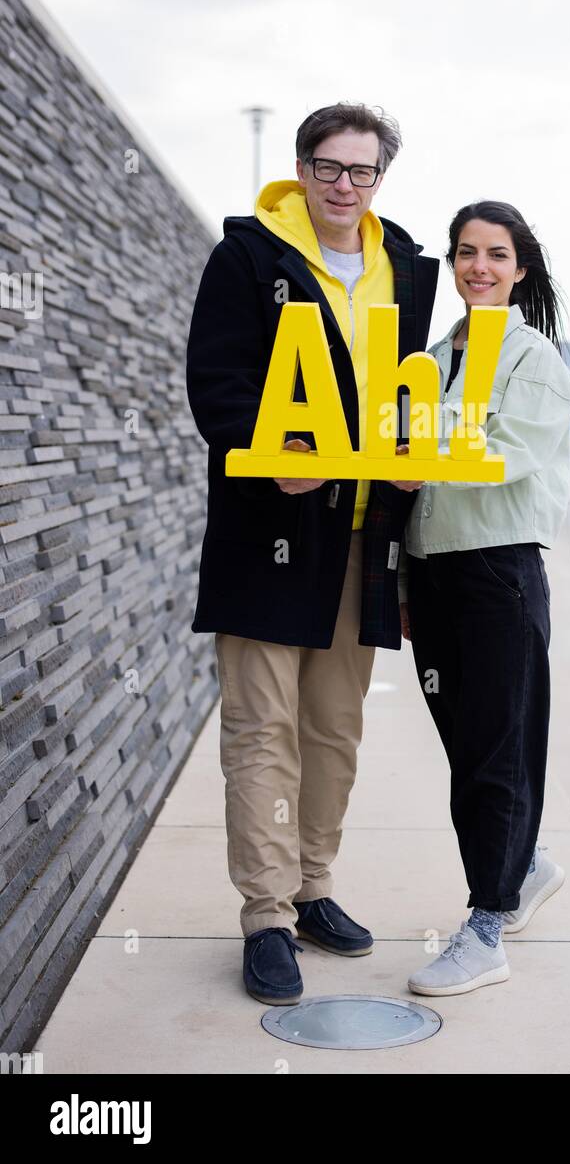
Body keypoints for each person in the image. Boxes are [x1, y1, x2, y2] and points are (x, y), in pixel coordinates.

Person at [185, 102, 438, 1005]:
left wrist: (412, 457)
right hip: (269, 530)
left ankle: (312, 887)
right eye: (328, 168)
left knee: (333, 729)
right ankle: (264, 917)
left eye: (361, 171)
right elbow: (215, 382)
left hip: (363, 531)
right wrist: (274, 457)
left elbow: (407, 390)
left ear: (380, 179)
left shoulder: (405, 267)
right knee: (262, 732)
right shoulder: (248, 257)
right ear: (301, 169)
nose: (343, 186)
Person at [390, 199, 570, 996]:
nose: (478, 268)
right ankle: (524, 863)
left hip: (498, 573)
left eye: (495, 255)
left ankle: (486, 926)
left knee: (498, 747)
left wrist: (421, 459)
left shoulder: (535, 361)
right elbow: (399, 474)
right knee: (467, 746)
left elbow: (508, 456)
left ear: (519, 268)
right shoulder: (430, 357)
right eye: (466, 252)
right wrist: (401, 575)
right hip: (432, 573)